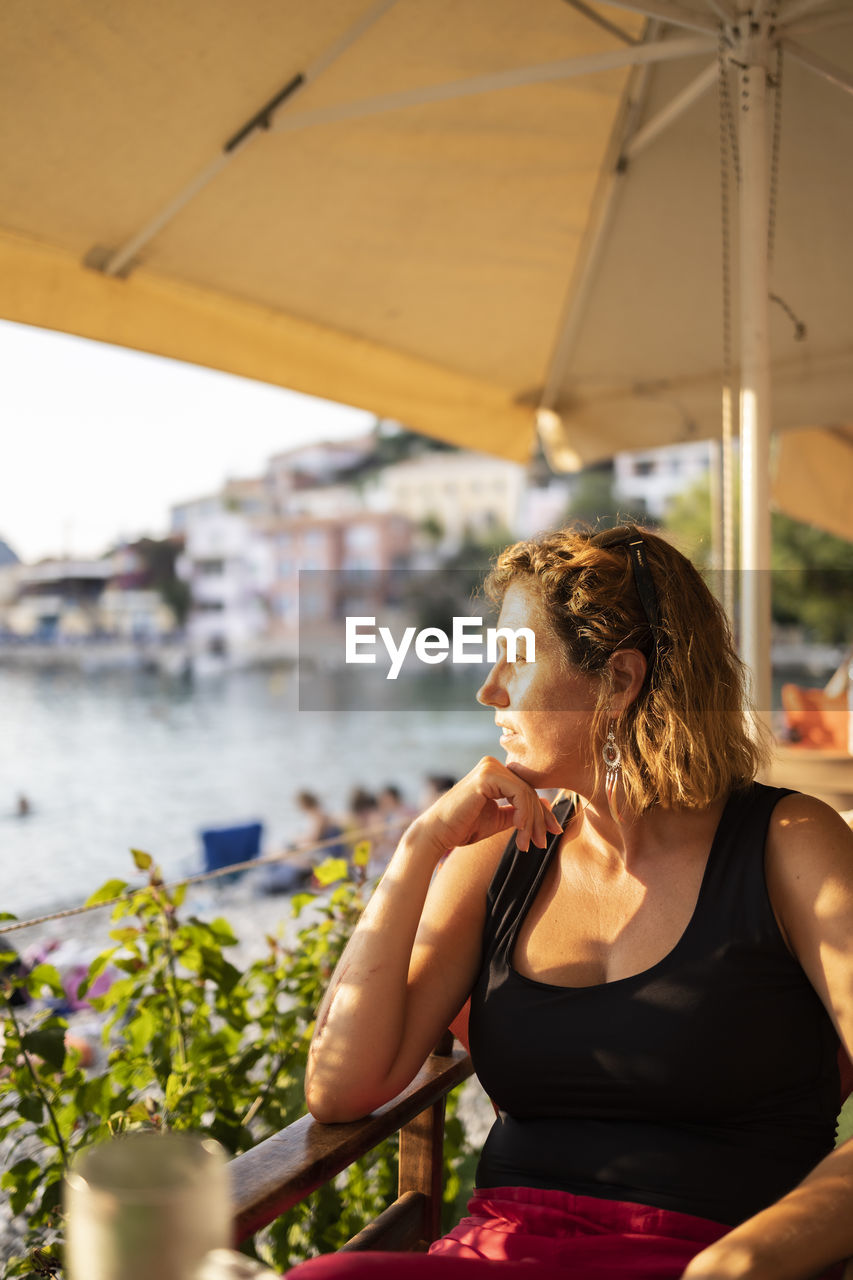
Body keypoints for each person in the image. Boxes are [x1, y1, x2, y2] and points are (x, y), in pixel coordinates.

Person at [292, 525, 853, 1280]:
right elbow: (339, 1088)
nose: (488, 690)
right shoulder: (497, 861)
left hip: (709, 1260)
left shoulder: (786, 843)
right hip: (499, 1250)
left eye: (515, 662)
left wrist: (748, 1261)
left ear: (619, 681)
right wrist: (420, 847)